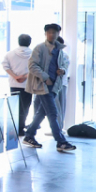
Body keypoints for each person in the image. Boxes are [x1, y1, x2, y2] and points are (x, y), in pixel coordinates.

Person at [23, 25, 75, 153]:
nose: (51, 35)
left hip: (54, 86)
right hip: (42, 85)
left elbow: (63, 65)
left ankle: (29, 135)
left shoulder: (59, 49)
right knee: (53, 113)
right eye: (49, 32)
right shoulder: (40, 48)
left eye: (54, 32)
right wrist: (45, 77)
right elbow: (32, 65)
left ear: (58, 34)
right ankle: (61, 141)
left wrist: (62, 70)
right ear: (46, 33)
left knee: (41, 113)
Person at [2, 34, 33, 135]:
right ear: (29, 42)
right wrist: (25, 76)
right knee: (25, 107)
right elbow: (36, 68)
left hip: (14, 83)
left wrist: (15, 76)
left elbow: (5, 66)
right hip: (28, 84)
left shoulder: (10, 54)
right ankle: (21, 127)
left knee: (14, 106)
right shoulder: (34, 54)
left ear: (18, 41)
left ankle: (14, 128)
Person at [53, 35, 70, 127]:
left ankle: (58, 127)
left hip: (59, 84)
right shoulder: (63, 55)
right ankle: (57, 127)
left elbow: (64, 69)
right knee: (56, 106)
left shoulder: (63, 55)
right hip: (57, 84)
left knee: (58, 106)